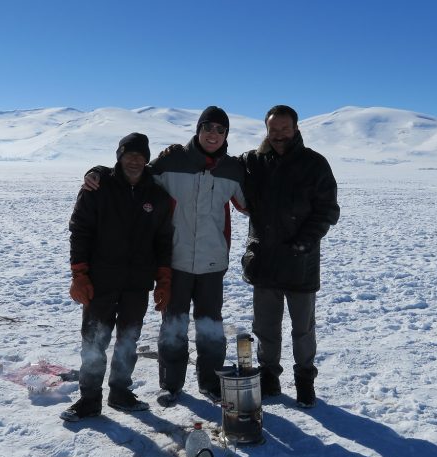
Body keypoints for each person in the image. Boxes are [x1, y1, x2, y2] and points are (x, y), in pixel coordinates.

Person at [84, 106, 246, 406]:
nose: (213, 134)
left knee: (211, 326)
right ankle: (171, 385)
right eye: (208, 127)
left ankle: (210, 383)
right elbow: (134, 173)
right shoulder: (172, 160)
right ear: (198, 130)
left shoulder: (233, 170)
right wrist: (97, 172)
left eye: (220, 130)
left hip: (213, 263)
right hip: (175, 260)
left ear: (226, 136)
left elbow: (253, 203)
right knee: (174, 326)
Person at [61, 132, 174, 422]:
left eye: (140, 156)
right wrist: (79, 274)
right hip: (101, 280)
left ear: (147, 159)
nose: (134, 161)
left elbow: (163, 239)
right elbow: (80, 230)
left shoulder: (157, 195)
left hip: (137, 282)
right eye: (128, 155)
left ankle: (120, 392)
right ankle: (89, 399)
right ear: (119, 157)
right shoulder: (98, 187)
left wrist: (163, 278)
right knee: (94, 339)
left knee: (128, 339)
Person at [239, 105, 340, 408]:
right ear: (266, 130)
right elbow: (214, 165)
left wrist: (304, 242)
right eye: (274, 129)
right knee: (265, 327)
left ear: (296, 129)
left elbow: (328, 210)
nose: (279, 135)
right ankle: (269, 375)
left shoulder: (314, 164)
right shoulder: (253, 162)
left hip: (300, 261)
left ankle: (304, 379)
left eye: (285, 129)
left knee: (303, 328)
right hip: (265, 260)